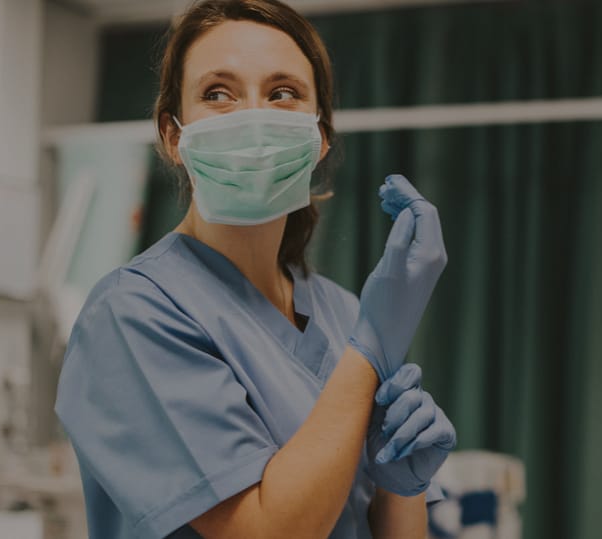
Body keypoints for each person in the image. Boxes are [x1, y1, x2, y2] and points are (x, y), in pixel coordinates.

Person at [53, 1, 455, 537]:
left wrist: (401, 488)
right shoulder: (132, 315)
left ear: (320, 138)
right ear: (173, 137)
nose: (253, 117)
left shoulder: (343, 313)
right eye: (218, 93)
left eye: (282, 92)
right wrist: (370, 349)